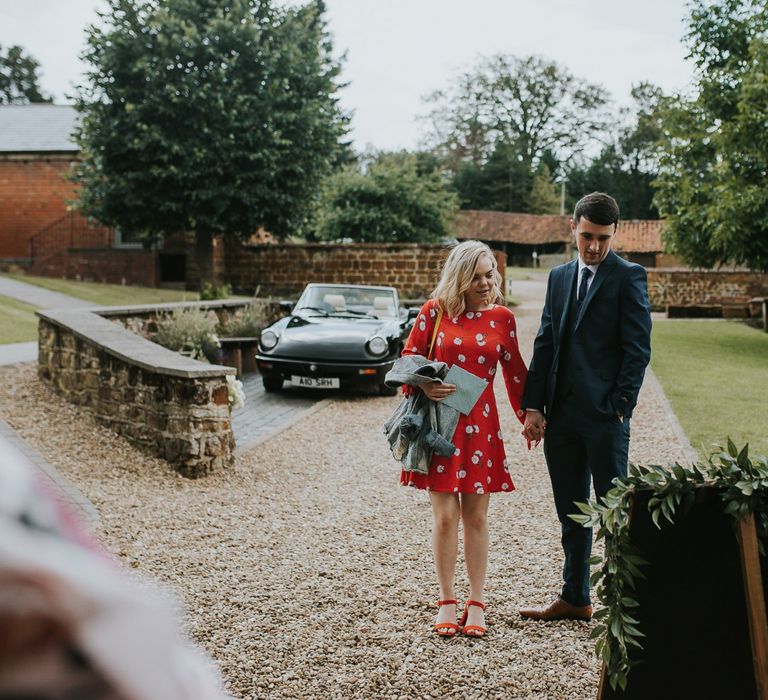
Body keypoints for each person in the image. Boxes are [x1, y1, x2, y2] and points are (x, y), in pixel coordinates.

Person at [519, 192, 652, 621]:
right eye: (587, 236)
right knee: (572, 513)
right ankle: (575, 596)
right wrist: (534, 406)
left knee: (612, 512)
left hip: (604, 419)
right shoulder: (558, 278)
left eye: (603, 238)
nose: (594, 246)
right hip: (561, 417)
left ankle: (618, 606)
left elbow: (637, 350)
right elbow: (544, 342)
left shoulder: (629, 276)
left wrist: (620, 406)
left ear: (615, 234)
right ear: (572, 227)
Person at [399, 240, 527, 638]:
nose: (487, 283)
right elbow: (407, 360)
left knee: (475, 516)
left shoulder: (503, 318)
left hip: (482, 429)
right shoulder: (433, 312)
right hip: (440, 427)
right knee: (444, 517)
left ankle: (476, 601)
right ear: (459, 278)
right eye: (477, 277)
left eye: (490, 274)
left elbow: (516, 373)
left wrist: (530, 416)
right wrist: (424, 386)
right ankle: (446, 600)